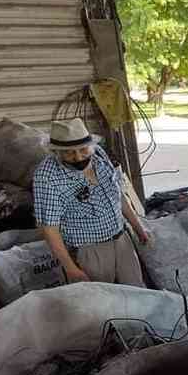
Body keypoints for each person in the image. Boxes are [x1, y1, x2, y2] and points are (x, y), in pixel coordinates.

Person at [33, 118, 148, 286]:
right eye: (69, 152)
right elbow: (49, 228)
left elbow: (117, 195)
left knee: (136, 291)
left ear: (91, 145)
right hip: (89, 251)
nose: (78, 157)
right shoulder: (47, 176)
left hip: (121, 240)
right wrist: (71, 269)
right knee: (101, 299)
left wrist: (138, 228)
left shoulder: (99, 155)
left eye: (83, 149)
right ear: (56, 152)